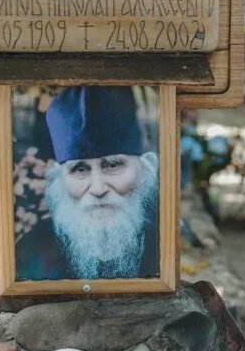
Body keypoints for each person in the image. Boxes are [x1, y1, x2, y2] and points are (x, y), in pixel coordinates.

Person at [15, 86, 160, 281]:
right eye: (80, 169)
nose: (98, 189)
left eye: (112, 165)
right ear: (60, 180)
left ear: (143, 170)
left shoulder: (166, 245)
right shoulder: (30, 251)